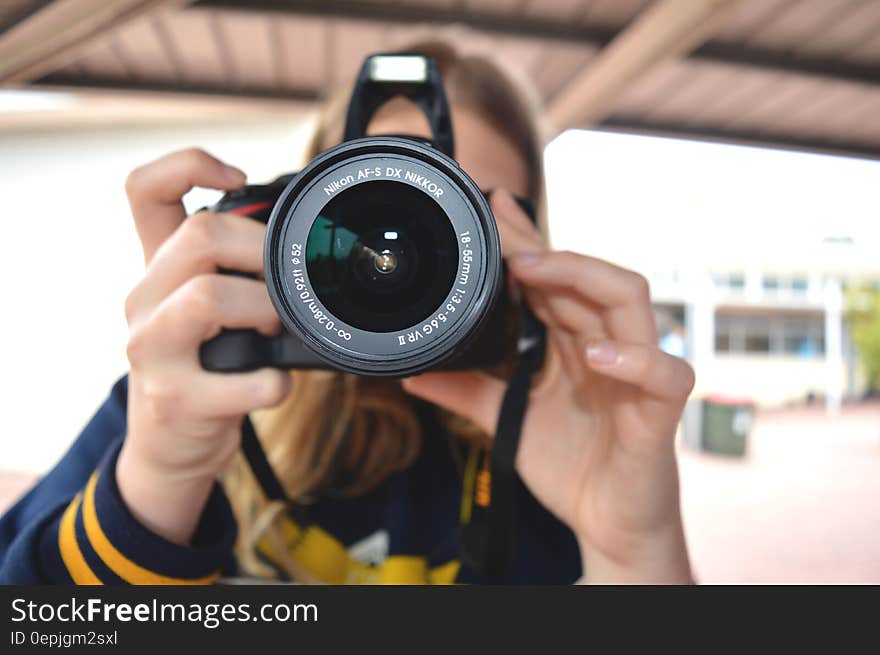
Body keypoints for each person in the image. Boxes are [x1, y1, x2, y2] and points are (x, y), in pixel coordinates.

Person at [0, 41, 695, 585]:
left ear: (524, 249)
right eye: (380, 207)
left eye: (462, 222)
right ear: (287, 224)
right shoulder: (192, 399)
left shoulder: (558, 451)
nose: (412, 265)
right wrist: (158, 479)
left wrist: (636, 554)